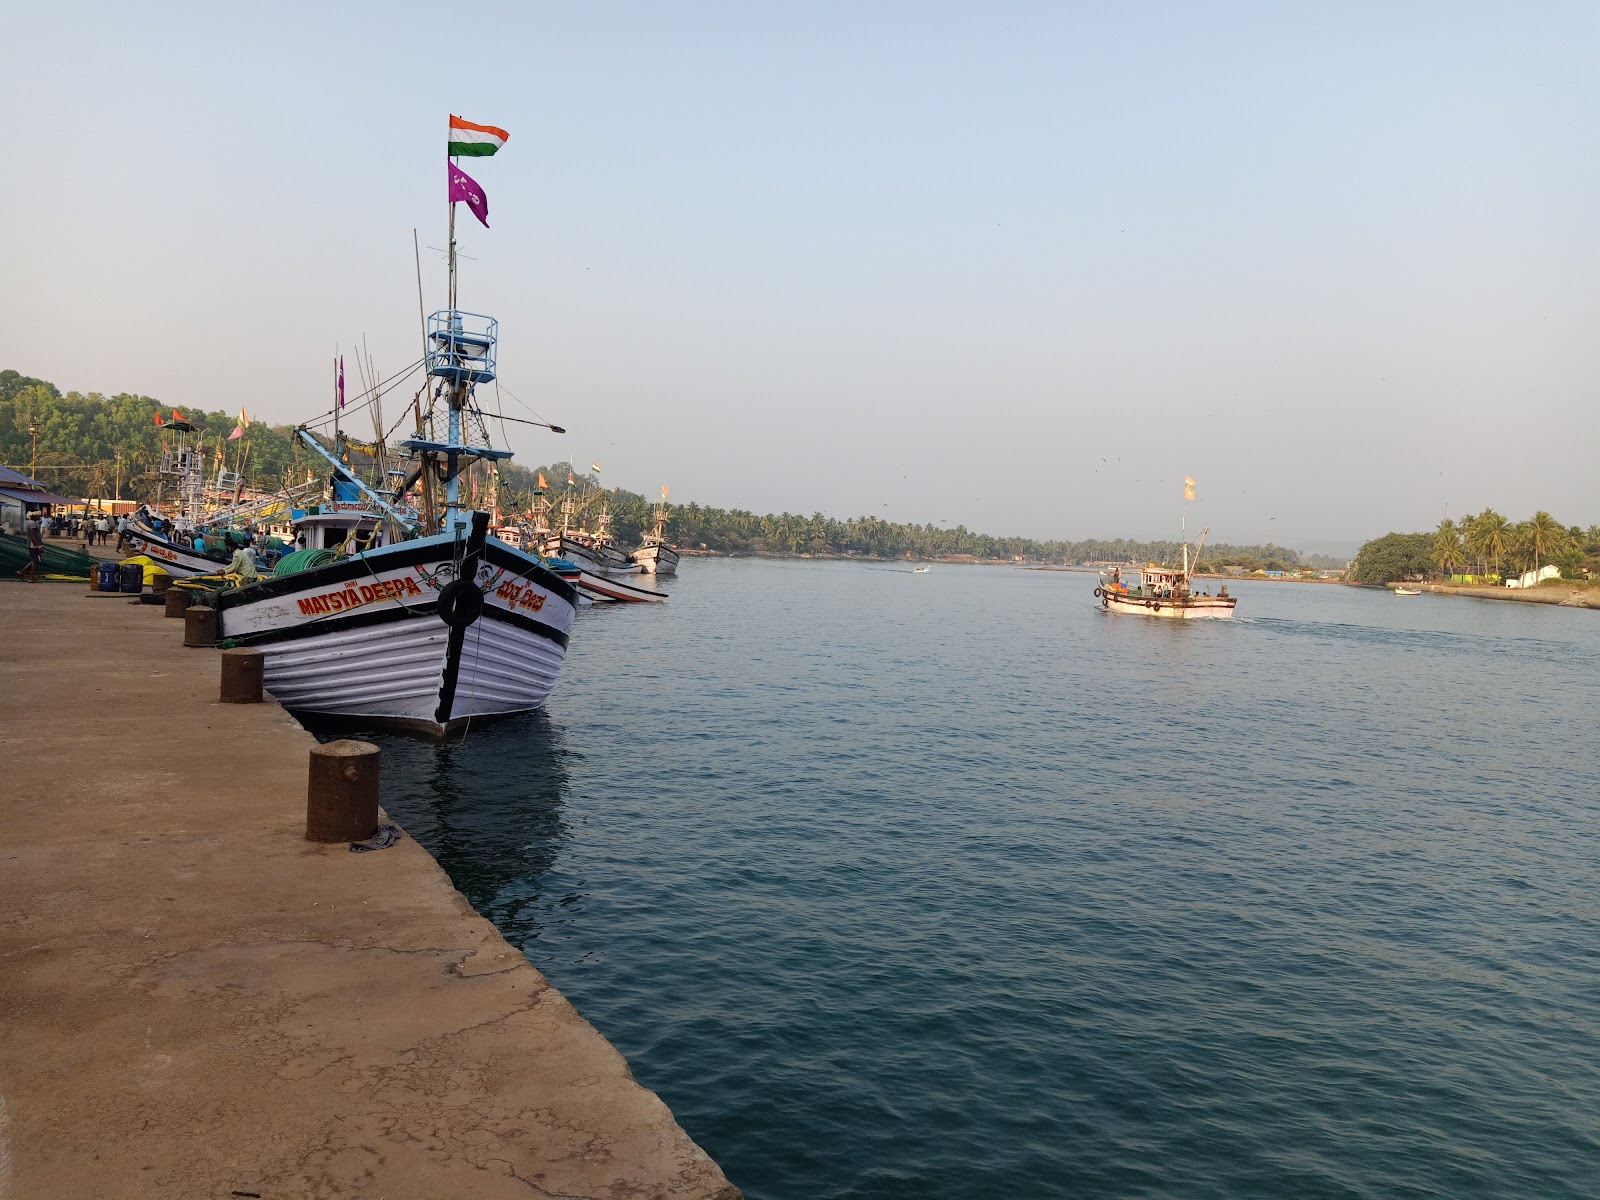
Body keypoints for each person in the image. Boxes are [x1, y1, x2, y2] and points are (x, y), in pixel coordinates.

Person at [16, 512, 43, 583]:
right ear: (34, 516)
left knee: (35, 560)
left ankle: (22, 571)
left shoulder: (31, 522)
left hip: (33, 544)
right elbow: (32, 535)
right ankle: (31, 578)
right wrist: (38, 545)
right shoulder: (32, 523)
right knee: (35, 561)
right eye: (38, 515)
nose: (39, 517)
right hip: (33, 545)